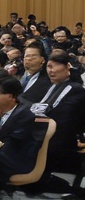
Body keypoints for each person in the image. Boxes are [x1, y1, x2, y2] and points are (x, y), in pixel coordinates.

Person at [34, 51, 83, 179]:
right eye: (48, 67)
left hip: (60, 142)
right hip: (45, 136)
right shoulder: (53, 86)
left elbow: (63, 119)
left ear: (67, 67)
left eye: (54, 66)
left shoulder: (76, 89)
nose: (50, 71)